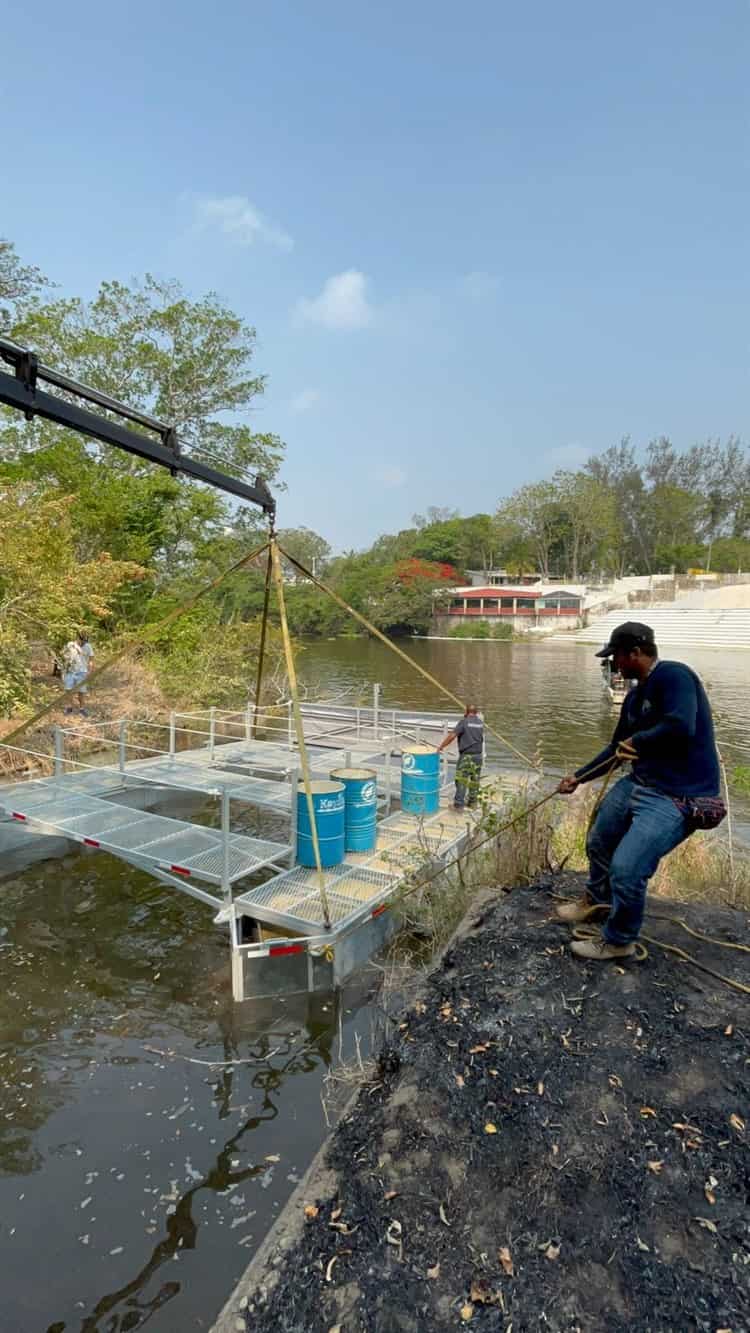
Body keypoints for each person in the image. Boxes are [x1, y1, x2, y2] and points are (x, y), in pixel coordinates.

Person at [556, 621, 722, 961]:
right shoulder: (633, 697)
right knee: (599, 840)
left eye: (616, 656)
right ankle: (599, 901)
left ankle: (620, 940)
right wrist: (579, 777)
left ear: (635, 653)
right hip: (640, 782)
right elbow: (618, 749)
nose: (613, 664)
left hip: (678, 795)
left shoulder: (674, 676)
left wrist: (640, 740)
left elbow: (681, 724)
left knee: (628, 868)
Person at [437, 704, 485, 810]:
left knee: (461, 779)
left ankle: (458, 805)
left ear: (466, 712)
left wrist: (441, 746)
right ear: (476, 713)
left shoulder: (464, 722)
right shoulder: (480, 723)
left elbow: (452, 736)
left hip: (467, 756)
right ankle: (473, 803)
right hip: (478, 756)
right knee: (474, 779)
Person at [62, 631, 94, 716]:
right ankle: (69, 707)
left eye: (85, 641)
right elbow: (64, 654)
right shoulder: (70, 645)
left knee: (82, 691)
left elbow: (91, 660)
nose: (83, 642)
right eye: (82, 640)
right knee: (69, 690)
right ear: (77, 638)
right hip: (70, 671)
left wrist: (89, 671)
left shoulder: (88, 646)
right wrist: (66, 660)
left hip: (82, 672)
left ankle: (82, 709)